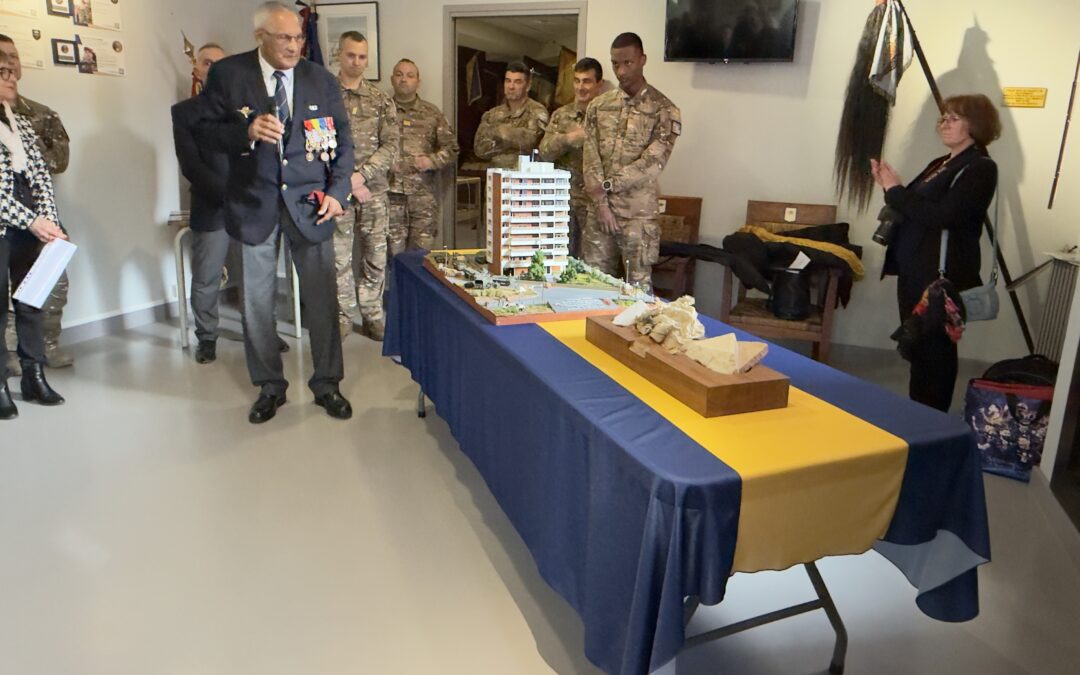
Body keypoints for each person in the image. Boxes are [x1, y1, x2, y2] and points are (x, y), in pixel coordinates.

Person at [196, 2, 355, 424]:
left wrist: (339, 192)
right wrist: (245, 132)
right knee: (257, 305)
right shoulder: (229, 75)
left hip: (311, 207)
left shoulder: (320, 79)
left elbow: (343, 143)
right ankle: (270, 386)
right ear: (259, 37)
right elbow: (204, 134)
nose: (294, 45)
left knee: (322, 301)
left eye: (299, 37)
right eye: (284, 37)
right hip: (254, 206)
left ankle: (327, 384)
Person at [873, 93, 1001, 411]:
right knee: (919, 348)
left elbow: (944, 216)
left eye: (954, 118)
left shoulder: (980, 168)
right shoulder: (942, 163)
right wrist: (891, 186)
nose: (944, 123)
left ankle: (932, 421)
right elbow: (910, 204)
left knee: (936, 353)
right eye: (943, 117)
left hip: (939, 277)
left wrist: (896, 190)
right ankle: (918, 414)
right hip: (914, 269)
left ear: (976, 124)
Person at [582, 32, 681, 293]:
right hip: (599, 213)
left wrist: (607, 185)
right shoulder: (598, 106)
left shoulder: (664, 109)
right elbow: (590, 155)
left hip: (637, 217)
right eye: (615, 63)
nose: (621, 70)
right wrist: (601, 202)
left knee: (638, 293)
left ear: (642, 60)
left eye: (628, 63)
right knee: (591, 287)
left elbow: (652, 163)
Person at [0, 57, 68, 420]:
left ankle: (33, 375)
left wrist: (52, 224)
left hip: (31, 226)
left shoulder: (22, 122)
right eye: (2, 73)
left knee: (31, 302)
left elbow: (41, 178)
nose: (12, 78)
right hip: (7, 224)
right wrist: (32, 220)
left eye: (12, 72)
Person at [332, 30, 398, 342]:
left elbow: (391, 146)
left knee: (375, 256)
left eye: (362, 57)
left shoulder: (381, 100)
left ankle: (372, 315)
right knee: (338, 257)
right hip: (336, 193)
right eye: (350, 55)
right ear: (339, 54)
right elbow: (313, 143)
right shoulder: (323, 96)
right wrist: (347, 181)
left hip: (374, 192)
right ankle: (343, 317)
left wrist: (362, 175)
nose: (356, 62)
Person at [171, 43, 229, 364]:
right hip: (212, 204)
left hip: (250, 206)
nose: (215, 68)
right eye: (208, 63)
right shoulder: (184, 112)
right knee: (206, 277)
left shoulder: (248, 108)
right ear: (197, 69)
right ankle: (207, 336)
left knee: (256, 275)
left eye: (221, 63)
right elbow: (190, 165)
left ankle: (262, 331)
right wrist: (226, 193)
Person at [387, 58, 458, 258]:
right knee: (392, 258)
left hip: (423, 199)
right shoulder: (382, 111)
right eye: (399, 74)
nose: (404, 80)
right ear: (392, 79)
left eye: (410, 75)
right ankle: (396, 291)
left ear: (418, 81)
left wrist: (431, 161)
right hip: (389, 196)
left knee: (421, 257)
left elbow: (452, 149)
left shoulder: (432, 114)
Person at [539, 57, 604, 259]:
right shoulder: (561, 115)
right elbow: (544, 152)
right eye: (577, 81)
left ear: (598, 84)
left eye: (587, 81)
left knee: (593, 263)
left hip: (594, 204)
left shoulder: (608, 117)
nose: (580, 87)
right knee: (559, 259)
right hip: (562, 201)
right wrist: (569, 139)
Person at [473, 62, 549, 170]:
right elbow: (480, 150)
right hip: (496, 179)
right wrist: (513, 142)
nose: (511, 86)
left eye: (517, 82)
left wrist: (500, 133)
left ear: (528, 86)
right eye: (508, 81)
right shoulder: (492, 114)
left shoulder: (537, 111)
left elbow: (531, 143)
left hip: (525, 180)